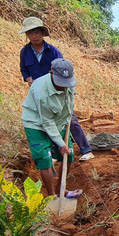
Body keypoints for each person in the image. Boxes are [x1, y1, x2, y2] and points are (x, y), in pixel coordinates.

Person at [18, 16, 95, 161]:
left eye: (37, 32)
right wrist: (30, 80)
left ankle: (86, 149)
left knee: (69, 118)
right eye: (30, 33)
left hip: (58, 90)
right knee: (45, 121)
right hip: (39, 93)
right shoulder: (25, 52)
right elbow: (24, 71)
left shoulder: (53, 52)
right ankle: (53, 154)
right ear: (27, 35)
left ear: (42, 33)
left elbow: (63, 71)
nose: (34, 36)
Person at [21, 58, 82, 198]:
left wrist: (67, 121)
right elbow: (46, 121)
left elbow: (70, 103)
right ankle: (52, 196)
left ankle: (62, 190)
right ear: (51, 73)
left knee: (69, 154)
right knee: (45, 159)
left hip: (59, 121)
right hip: (36, 124)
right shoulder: (41, 91)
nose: (64, 86)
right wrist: (60, 144)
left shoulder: (69, 83)